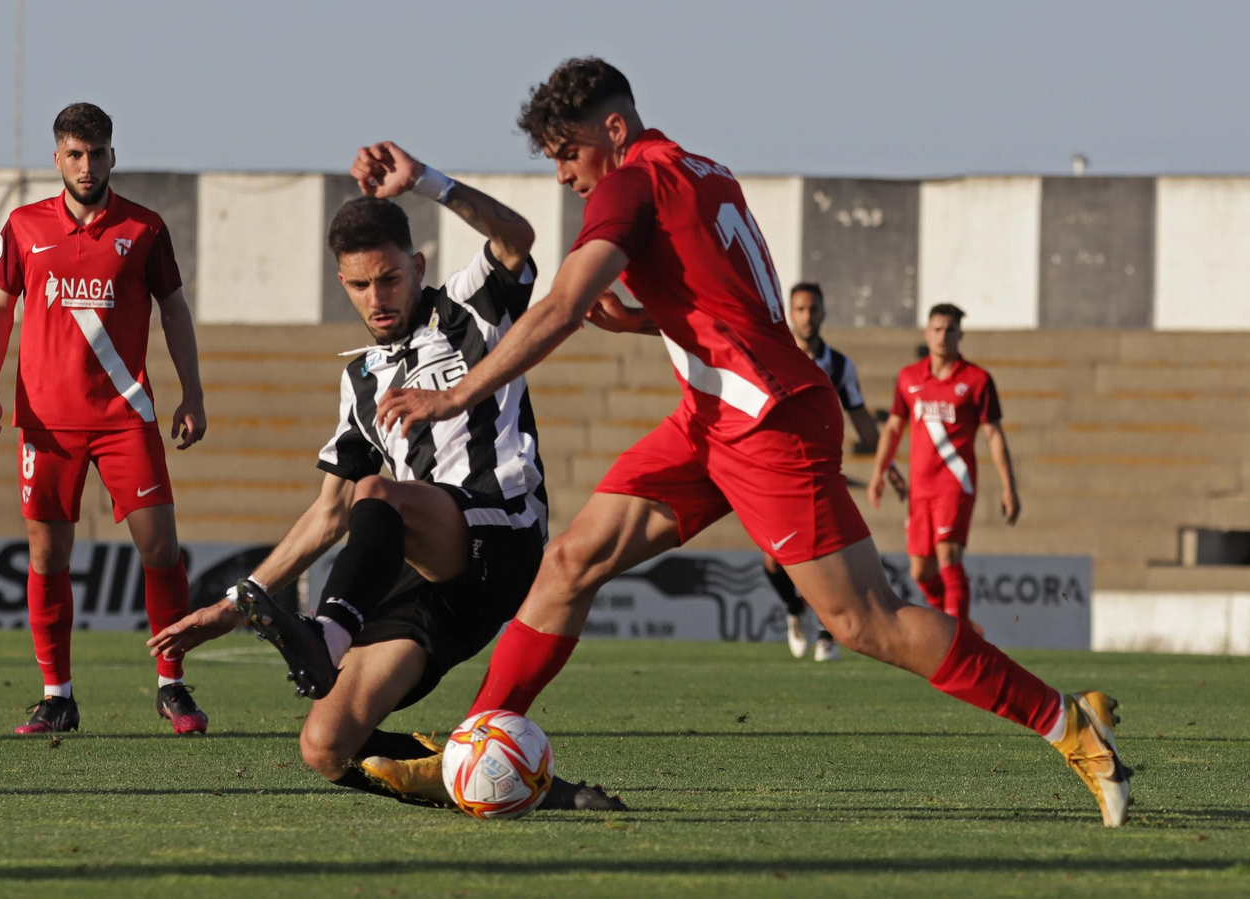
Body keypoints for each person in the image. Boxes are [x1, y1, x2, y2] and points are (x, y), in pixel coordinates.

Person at [367, 58, 1131, 826]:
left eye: (568, 154)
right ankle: (474, 745)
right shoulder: (702, 170)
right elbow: (727, 293)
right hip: (714, 416)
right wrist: (647, 319)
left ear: (614, 130)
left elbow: (563, 303)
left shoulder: (631, 183)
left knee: (866, 620)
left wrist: (456, 393)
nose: (565, 175)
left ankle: (1069, 723)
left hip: (766, 423)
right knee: (571, 561)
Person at [146, 143, 620, 811]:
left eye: (390, 279)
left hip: (500, 534)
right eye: (361, 285)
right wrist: (234, 604)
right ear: (342, 283)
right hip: (427, 583)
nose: (378, 297)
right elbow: (329, 510)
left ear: (416, 266)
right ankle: (520, 784)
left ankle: (327, 634)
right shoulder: (360, 379)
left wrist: (426, 181)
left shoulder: (468, 305)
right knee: (326, 744)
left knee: (380, 492)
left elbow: (517, 236)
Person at [0, 103, 209, 735]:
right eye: (74, 154)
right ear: (57, 158)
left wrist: (193, 393)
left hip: (124, 417)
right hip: (47, 423)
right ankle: (57, 696)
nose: (86, 165)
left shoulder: (145, 228)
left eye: (97, 153)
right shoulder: (25, 226)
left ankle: (172, 686)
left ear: (113, 155)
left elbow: (175, 313)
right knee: (48, 555)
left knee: (160, 548)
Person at [868, 304, 1019, 630]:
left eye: (950, 330)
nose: (942, 336)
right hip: (920, 488)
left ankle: (958, 639)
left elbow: (993, 434)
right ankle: (959, 626)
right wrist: (879, 473)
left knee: (949, 556)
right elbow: (894, 427)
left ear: (960, 334)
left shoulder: (977, 380)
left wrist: (1009, 487)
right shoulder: (909, 378)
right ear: (926, 333)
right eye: (937, 329)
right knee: (920, 571)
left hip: (955, 483)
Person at [767, 282, 882, 661]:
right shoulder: (775, 356)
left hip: (823, 470)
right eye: (800, 309)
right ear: (790, 313)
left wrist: (887, 463)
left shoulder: (839, 364)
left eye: (812, 309)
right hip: (781, 469)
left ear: (822, 313)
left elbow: (860, 415)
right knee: (774, 559)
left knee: (827, 555)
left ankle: (825, 634)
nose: (807, 316)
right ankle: (793, 609)